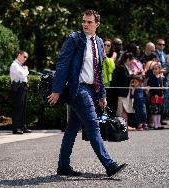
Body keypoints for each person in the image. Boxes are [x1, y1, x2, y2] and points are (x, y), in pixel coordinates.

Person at [48, 10, 127, 177]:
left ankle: (63, 165)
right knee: (92, 124)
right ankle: (109, 165)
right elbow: (62, 64)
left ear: (97, 24)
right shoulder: (74, 39)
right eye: (84, 21)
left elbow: (99, 71)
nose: (85, 24)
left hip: (92, 89)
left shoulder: (98, 42)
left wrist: (102, 95)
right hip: (78, 89)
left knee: (72, 128)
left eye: (89, 22)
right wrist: (57, 90)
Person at [111, 52, 136, 130]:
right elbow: (125, 79)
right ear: (128, 59)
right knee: (122, 110)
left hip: (126, 92)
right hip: (122, 92)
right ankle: (122, 126)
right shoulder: (122, 67)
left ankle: (125, 125)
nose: (133, 62)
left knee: (125, 110)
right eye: (132, 60)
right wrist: (133, 75)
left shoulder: (125, 67)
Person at [10, 51, 32, 134]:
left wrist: (25, 71)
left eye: (26, 57)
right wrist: (26, 70)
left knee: (23, 108)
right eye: (24, 56)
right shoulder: (14, 65)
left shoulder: (20, 66)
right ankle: (16, 128)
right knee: (18, 108)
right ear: (19, 55)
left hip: (23, 88)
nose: (25, 59)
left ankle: (23, 126)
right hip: (18, 88)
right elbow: (22, 75)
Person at [147, 63, 165, 130]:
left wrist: (163, 89)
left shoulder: (161, 78)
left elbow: (164, 86)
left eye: (156, 69)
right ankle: (155, 125)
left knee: (159, 111)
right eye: (153, 69)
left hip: (160, 96)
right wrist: (154, 94)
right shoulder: (151, 78)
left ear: (159, 70)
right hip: (154, 96)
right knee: (155, 111)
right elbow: (149, 87)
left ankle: (159, 124)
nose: (154, 70)